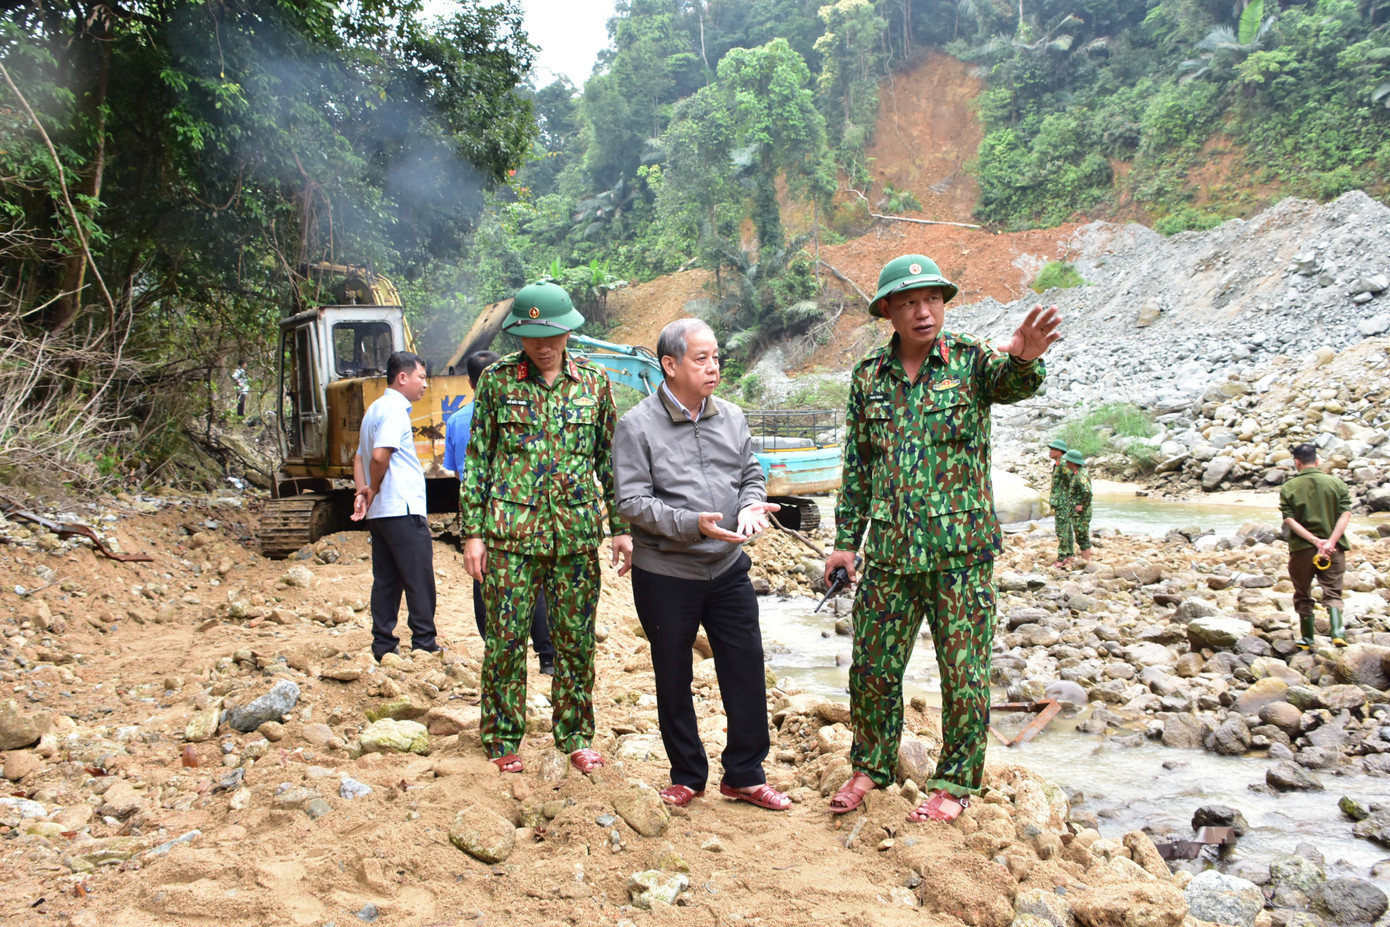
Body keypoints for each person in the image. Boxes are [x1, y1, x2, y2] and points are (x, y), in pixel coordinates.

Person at [822, 254, 1060, 824]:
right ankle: (871, 766)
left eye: (931, 299)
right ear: (888, 311)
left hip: (961, 555)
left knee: (964, 673)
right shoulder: (868, 379)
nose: (922, 311)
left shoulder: (974, 361)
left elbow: (1015, 384)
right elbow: (858, 466)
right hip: (890, 554)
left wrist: (1024, 356)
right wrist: (846, 542)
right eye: (907, 302)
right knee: (873, 668)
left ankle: (953, 782)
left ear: (943, 305)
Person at [613, 318, 789, 812]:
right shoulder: (636, 426)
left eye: (716, 357)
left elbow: (752, 473)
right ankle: (687, 774)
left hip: (728, 566)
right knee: (673, 675)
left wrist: (753, 504)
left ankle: (745, 775)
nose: (713, 367)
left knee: (746, 667)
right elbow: (632, 501)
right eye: (701, 359)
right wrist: (693, 524)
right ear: (670, 365)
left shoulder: (731, 416)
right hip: (666, 572)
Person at [461, 282, 633, 775]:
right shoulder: (496, 382)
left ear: (568, 331)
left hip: (576, 538)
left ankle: (576, 735)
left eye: (551, 335)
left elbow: (609, 459)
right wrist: (474, 533)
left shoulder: (595, 383)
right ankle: (501, 737)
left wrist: (620, 527)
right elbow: (478, 462)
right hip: (510, 536)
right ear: (518, 334)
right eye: (531, 336)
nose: (542, 346)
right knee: (506, 640)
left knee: (575, 641)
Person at [443, 350, 556, 675]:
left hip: (480, 513)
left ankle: (499, 652)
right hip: (520, 510)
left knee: (482, 577)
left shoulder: (458, 420)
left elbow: (457, 474)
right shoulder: (525, 413)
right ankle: (547, 656)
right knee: (532, 581)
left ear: (470, 381)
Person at [351, 350, 439, 661]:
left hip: (381, 513)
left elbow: (359, 456)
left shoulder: (373, 409)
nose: (425, 385)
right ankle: (425, 642)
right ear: (402, 378)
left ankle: (383, 644)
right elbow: (378, 456)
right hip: (401, 506)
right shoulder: (394, 411)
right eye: (421, 377)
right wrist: (372, 488)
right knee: (418, 576)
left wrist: (363, 493)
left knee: (386, 579)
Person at [1279, 443, 1351, 648]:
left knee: (1303, 592)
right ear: (1317, 461)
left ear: (1297, 462)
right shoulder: (1337, 484)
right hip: (1333, 549)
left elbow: (1289, 520)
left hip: (1303, 549)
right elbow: (1345, 514)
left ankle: (1308, 638)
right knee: (1333, 591)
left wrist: (1314, 541)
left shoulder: (1289, 487)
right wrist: (1329, 542)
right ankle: (1338, 633)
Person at [1063, 448, 1093, 565]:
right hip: (1077, 512)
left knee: (1082, 536)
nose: (1066, 463)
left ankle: (1086, 561)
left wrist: (1082, 505)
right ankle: (1085, 561)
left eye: (1067, 461)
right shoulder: (1076, 474)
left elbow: (1087, 492)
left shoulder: (1081, 476)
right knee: (1080, 535)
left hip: (1081, 513)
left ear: (1072, 462)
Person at [1046, 438, 1073, 566]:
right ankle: (1069, 554)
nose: (1050, 452)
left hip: (1064, 502)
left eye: (1052, 449)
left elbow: (1072, 481)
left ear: (1060, 451)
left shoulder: (1063, 464)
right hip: (1061, 501)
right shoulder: (1058, 464)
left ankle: (1063, 557)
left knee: (1062, 529)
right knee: (1066, 528)